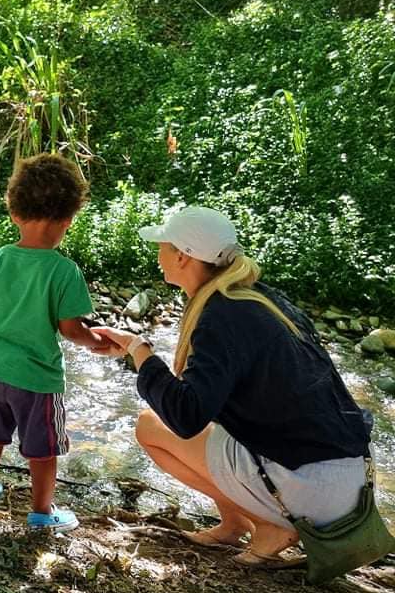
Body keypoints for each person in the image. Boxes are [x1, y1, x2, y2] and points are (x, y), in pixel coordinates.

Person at [91, 206, 374, 567]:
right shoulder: (258, 298)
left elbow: (186, 416)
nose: (157, 253)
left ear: (182, 256)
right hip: (349, 479)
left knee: (150, 426)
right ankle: (234, 523)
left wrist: (139, 351)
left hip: (315, 486)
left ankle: (268, 525)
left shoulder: (222, 314)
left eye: (162, 244)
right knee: (209, 425)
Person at [0, 153, 114, 532]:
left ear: (14, 212)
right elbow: (71, 329)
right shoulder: (64, 270)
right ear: (68, 220)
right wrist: (99, 343)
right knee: (42, 450)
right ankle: (42, 513)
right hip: (39, 381)